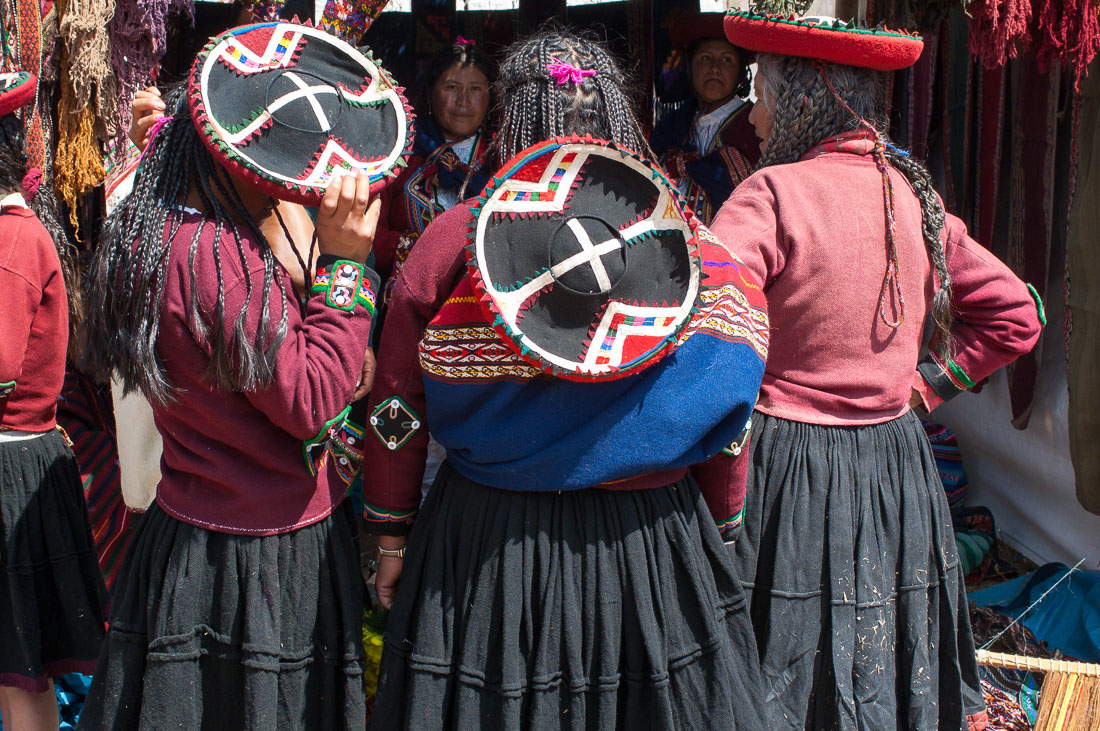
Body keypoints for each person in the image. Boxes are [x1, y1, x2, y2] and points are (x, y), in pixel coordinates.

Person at [361, 26, 771, 730]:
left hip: (488, 548)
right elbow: (731, 407)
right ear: (618, 117)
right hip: (651, 543)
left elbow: (395, 405)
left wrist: (390, 535)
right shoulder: (690, 246)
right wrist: (726, 524)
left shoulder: (451, 240)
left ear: (508, 120)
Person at [710, 11, 1046, 730]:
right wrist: (925, 388)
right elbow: (1021, 314)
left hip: (785, 466)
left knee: (782, 655)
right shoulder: (917, 202)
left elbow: (708, 329)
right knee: (882, 639)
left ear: (805, 93)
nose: (755, 112)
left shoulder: (771, 195)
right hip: (897, 463)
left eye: (760, 90)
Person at [75, 19, 410, 728]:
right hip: (252, 554)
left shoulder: (174, 229)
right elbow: (311, 400)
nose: (298, 178)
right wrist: (349, 264)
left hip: (203, 531)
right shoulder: (215, 256)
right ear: (235, 159)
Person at [0, 71, 109, 731]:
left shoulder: (10, 240)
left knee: (20, 666)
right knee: (17, 666)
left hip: (9, 473)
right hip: (20, 465)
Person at [379, 38, 495, 283]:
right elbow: (372, 238)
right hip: (409, 296)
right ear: (431, 94)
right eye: (452, 87)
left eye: (475, 89)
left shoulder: (501, 158)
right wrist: (422, 252)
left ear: (489, 96)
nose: (463, 100)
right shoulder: (399, 154)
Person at [649, 11, 759, 224]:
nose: (715, 68)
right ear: (689, 67)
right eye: (705, 58)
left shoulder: (755, 127)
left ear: (741, 72)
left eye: (726, 59)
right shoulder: (671, 128)